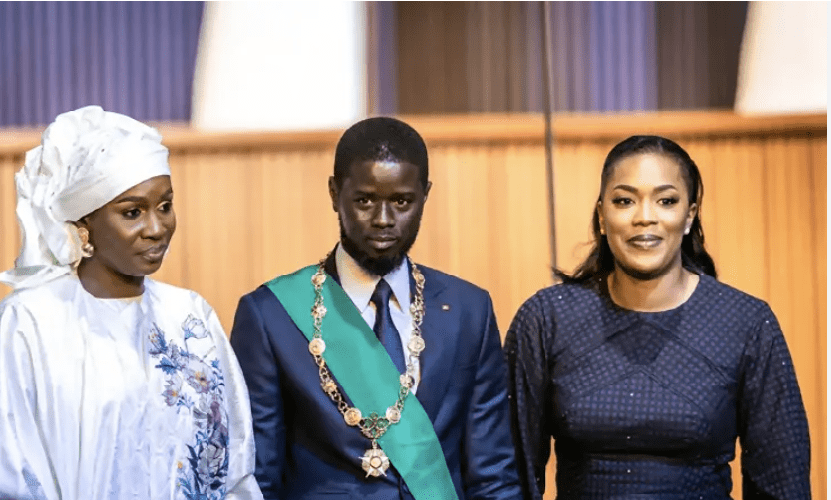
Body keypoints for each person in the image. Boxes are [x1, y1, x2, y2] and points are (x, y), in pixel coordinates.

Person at [0, 106, 262, 500]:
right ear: (83, 226)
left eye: (166, 206)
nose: (157, 229)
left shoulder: (189, 316)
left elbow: (233, 464)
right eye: (133, 213)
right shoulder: (31, 321)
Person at [229, 117, 521, 500]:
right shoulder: (271, 316)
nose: (383, 221)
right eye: (365, 200)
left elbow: (493, 475)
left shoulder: (469, 311)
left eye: (401, 202)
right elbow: (257, 478)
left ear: (425, 195)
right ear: (335, 193)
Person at [506, 135, 811, 499]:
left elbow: (782, 480)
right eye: (624, 201)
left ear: (690, 215)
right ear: (602, 216)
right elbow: (512, 473)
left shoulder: (747, 322)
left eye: (666, 201)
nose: (645, 217)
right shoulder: (546, 319)